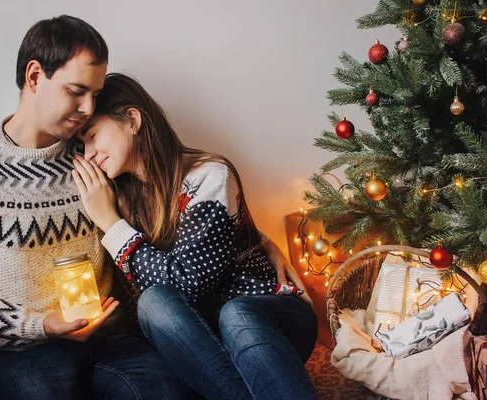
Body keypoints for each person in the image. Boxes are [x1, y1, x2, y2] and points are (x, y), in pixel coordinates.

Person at [0, 15, 194, 400]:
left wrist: (252, 239)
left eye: (94, 94)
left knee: (165, 391)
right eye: (77, 90)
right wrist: (40, 324)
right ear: (33, 76)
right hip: (13, 354)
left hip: (111, 341)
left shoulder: (94, 154)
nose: (88, 107)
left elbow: (173, 199)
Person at [72, 73, 319, 400]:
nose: (88, 153)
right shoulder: (117, 198)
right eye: (82, 145)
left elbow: (187, 283)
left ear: (132, 120)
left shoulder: (211, 175)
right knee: (154, 303)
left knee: (236, 312)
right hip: (202, 349)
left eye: (93, 135)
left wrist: (110, 222)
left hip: (270, 322)